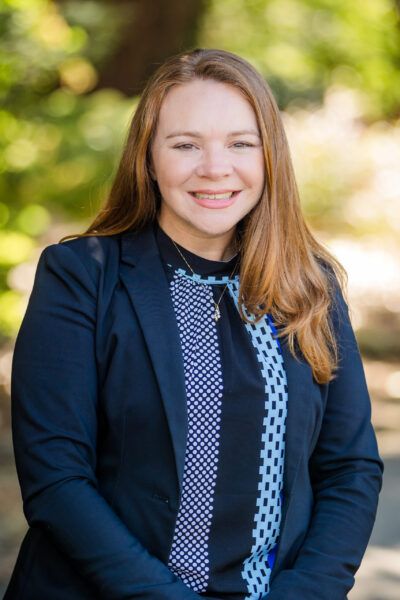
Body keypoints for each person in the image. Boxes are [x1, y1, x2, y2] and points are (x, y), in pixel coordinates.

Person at [5, 47, 383, 600]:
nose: (215, 168)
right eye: (185, 145)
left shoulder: (311, 285)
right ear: (149, 159)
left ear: (269, 157)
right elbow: (57, 479)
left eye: (240, 143)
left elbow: (350, 469)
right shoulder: (82, 276)